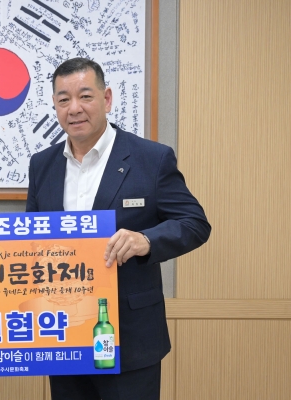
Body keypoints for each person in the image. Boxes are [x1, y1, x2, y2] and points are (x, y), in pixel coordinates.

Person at [26, 58, 211, 399]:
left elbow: (195, 223)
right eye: (64, 99)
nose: (74, 108)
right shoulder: (42, 165)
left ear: (107, 98)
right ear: (54, 105)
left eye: (85, 96)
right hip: (64, 335)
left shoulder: (150, 158)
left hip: (131, 336)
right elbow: (33, 239)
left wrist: (146, 240)